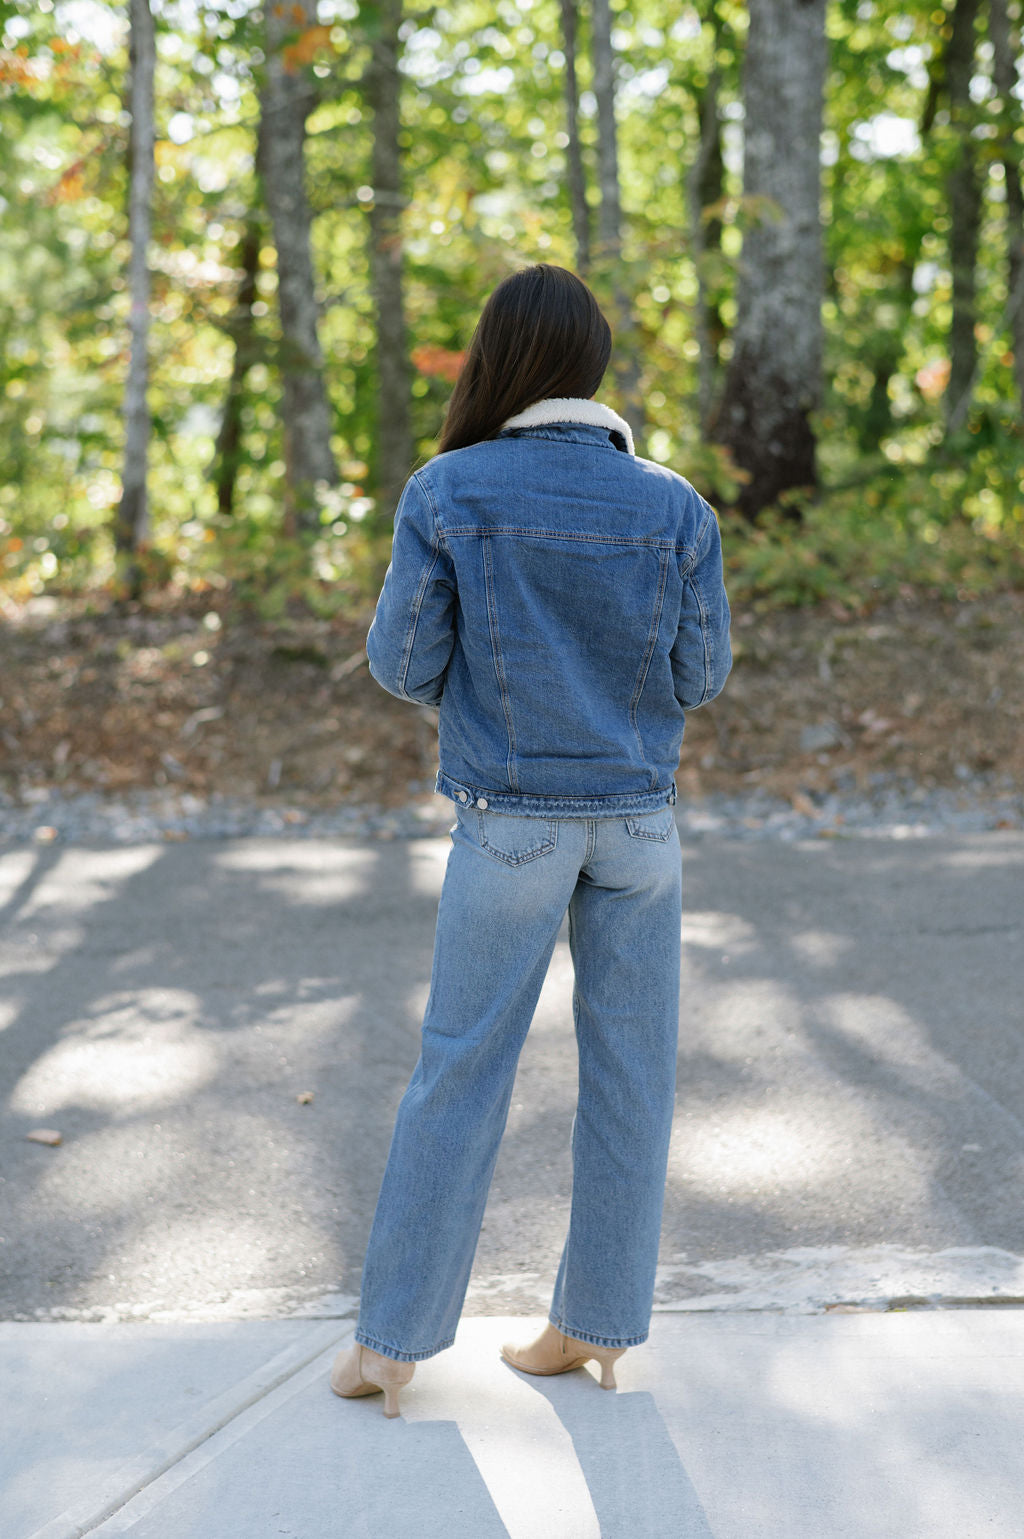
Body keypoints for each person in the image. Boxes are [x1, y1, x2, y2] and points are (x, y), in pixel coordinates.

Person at [330, 262, 731, 1418]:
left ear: (497, 362)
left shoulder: (447, 489)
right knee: (631, 1076)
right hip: (640, 830)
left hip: (510, 825)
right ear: (594, 367)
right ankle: (592, 1330)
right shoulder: (677, 505)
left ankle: (393, 1349)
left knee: (459, 1072)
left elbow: (402, 665)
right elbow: (698, 677)